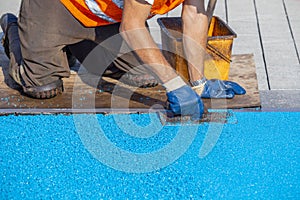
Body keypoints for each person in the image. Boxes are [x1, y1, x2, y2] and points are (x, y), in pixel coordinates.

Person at [1, 0, 245, 120]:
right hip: (58, 7)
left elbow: (194, 13)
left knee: (145, 74)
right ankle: (15, 31)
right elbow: (132, 25)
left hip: (106, 17)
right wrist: (174, 84)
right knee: (43, 87)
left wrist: (198, 83)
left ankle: (73, 47)